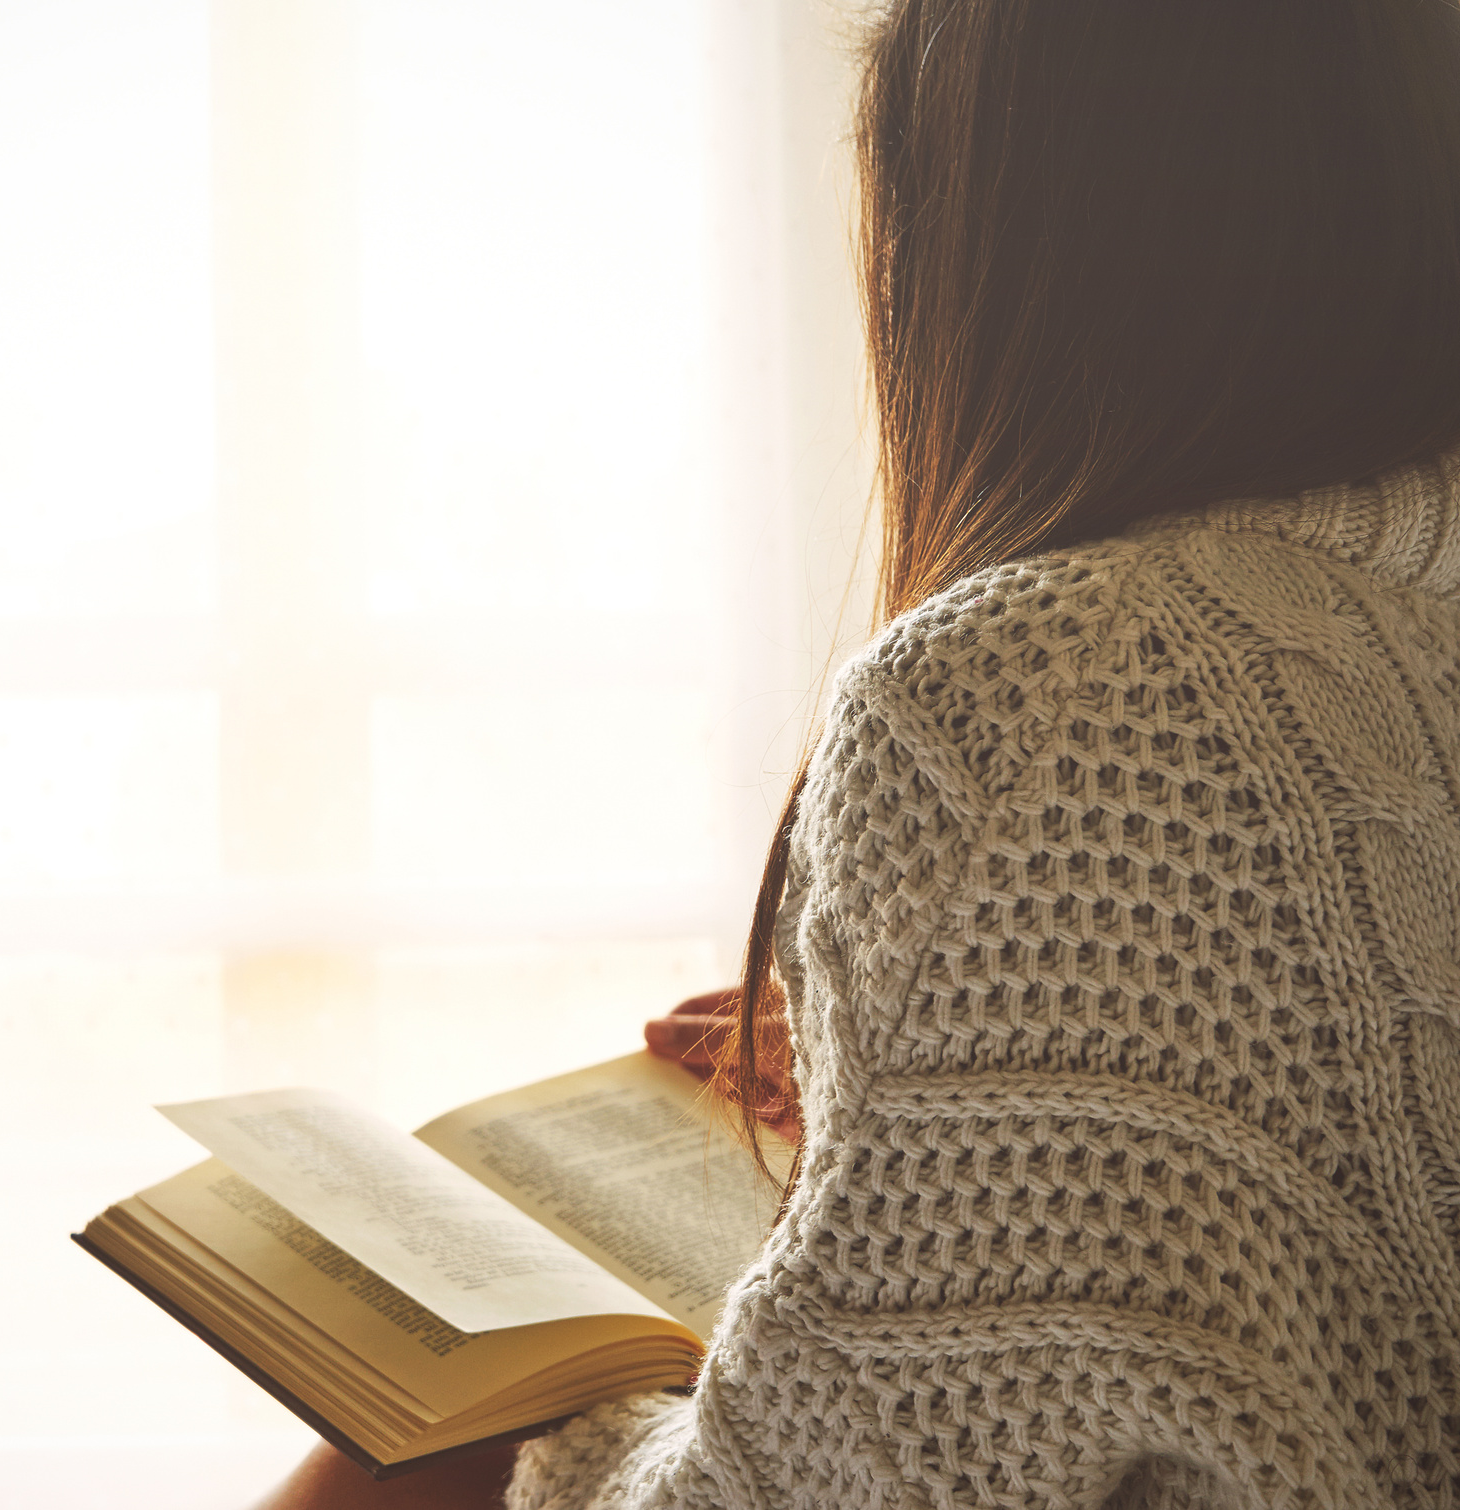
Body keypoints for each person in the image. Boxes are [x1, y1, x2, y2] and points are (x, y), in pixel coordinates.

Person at [255, 0, 1460, 1504]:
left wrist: (549, 1419)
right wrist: (899, 1082)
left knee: (379, 1461)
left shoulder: (1062, 687)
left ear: (996, 253)